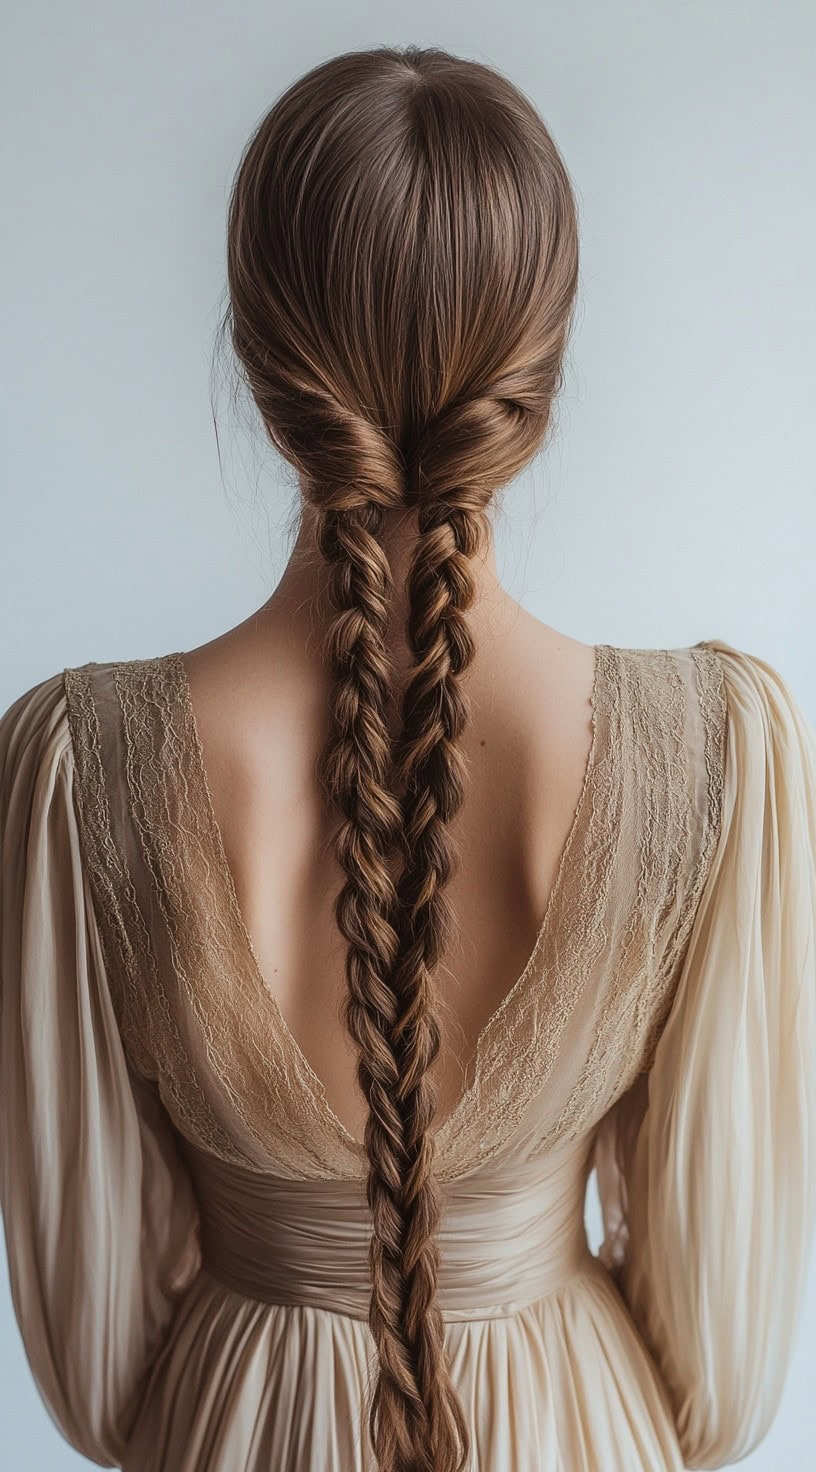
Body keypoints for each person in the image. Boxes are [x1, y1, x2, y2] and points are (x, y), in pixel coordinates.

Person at [1, 42, 815, 1472]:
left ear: (265, 371)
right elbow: (728, 1373)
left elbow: (94, 1355)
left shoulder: (79, 766)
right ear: (539, 377)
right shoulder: (716, 758)